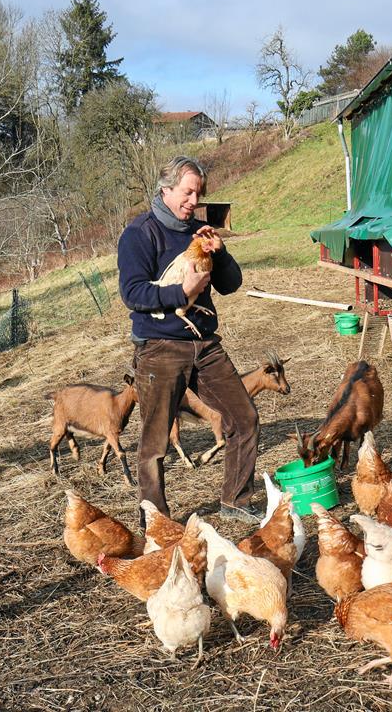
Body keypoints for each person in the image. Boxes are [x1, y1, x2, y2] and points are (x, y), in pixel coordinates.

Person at [117, 156, 260, 523]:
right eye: (187, 192)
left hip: (205, 344)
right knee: (155, 441)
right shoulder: (139, 234)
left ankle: (236, 500)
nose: (194, 200)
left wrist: (222, 254)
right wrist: (182, 291)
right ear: (165, 189)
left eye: (198, 193)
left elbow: (230, 285)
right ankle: (155, 517)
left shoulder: (199, 232)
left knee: (243, 418)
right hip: (159, 346)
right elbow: (133, 293)